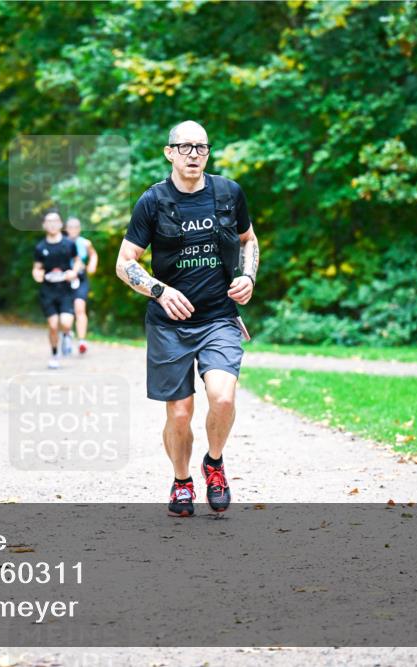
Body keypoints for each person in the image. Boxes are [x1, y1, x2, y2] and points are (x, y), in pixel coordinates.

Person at [115, 120, 259, 517]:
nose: (194, 154)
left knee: (223, 398)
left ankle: (214, 463)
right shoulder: (153, 202)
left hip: (218, 319)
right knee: (179, 413)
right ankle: (181, 481)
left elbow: (248, 240)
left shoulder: (229, 194)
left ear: (208, 153)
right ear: (170, 152)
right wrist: (160, 290)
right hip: (169, 326)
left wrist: (247, 275)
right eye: (185, 147)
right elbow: (125, 263)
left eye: (201, 147)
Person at [32, 209, 82, 369]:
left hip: (66, 289)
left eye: (55, 221)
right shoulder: (40, 247)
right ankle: (54, 354)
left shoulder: (69, 244)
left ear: (60, 224)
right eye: (49, 222)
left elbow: (78, 261)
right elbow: (37, 268)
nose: (52, 225)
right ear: (44, 225)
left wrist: (73, 272)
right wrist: (37, 275)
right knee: (53, 325)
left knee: (66, 323)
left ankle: (67, 334)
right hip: (48, 290)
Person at [65, 216, 98, 355]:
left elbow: (94, 255)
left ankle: (82, 341)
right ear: (66, 229)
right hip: (64, 280)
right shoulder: (62, 243)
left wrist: (91, 265)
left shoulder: (85, 243)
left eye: (75, 228)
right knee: (66, 312)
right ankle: (67, 334)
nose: (73, 230)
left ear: (79, 229)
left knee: (79, 307)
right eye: (70, 227)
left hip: (80, 278)